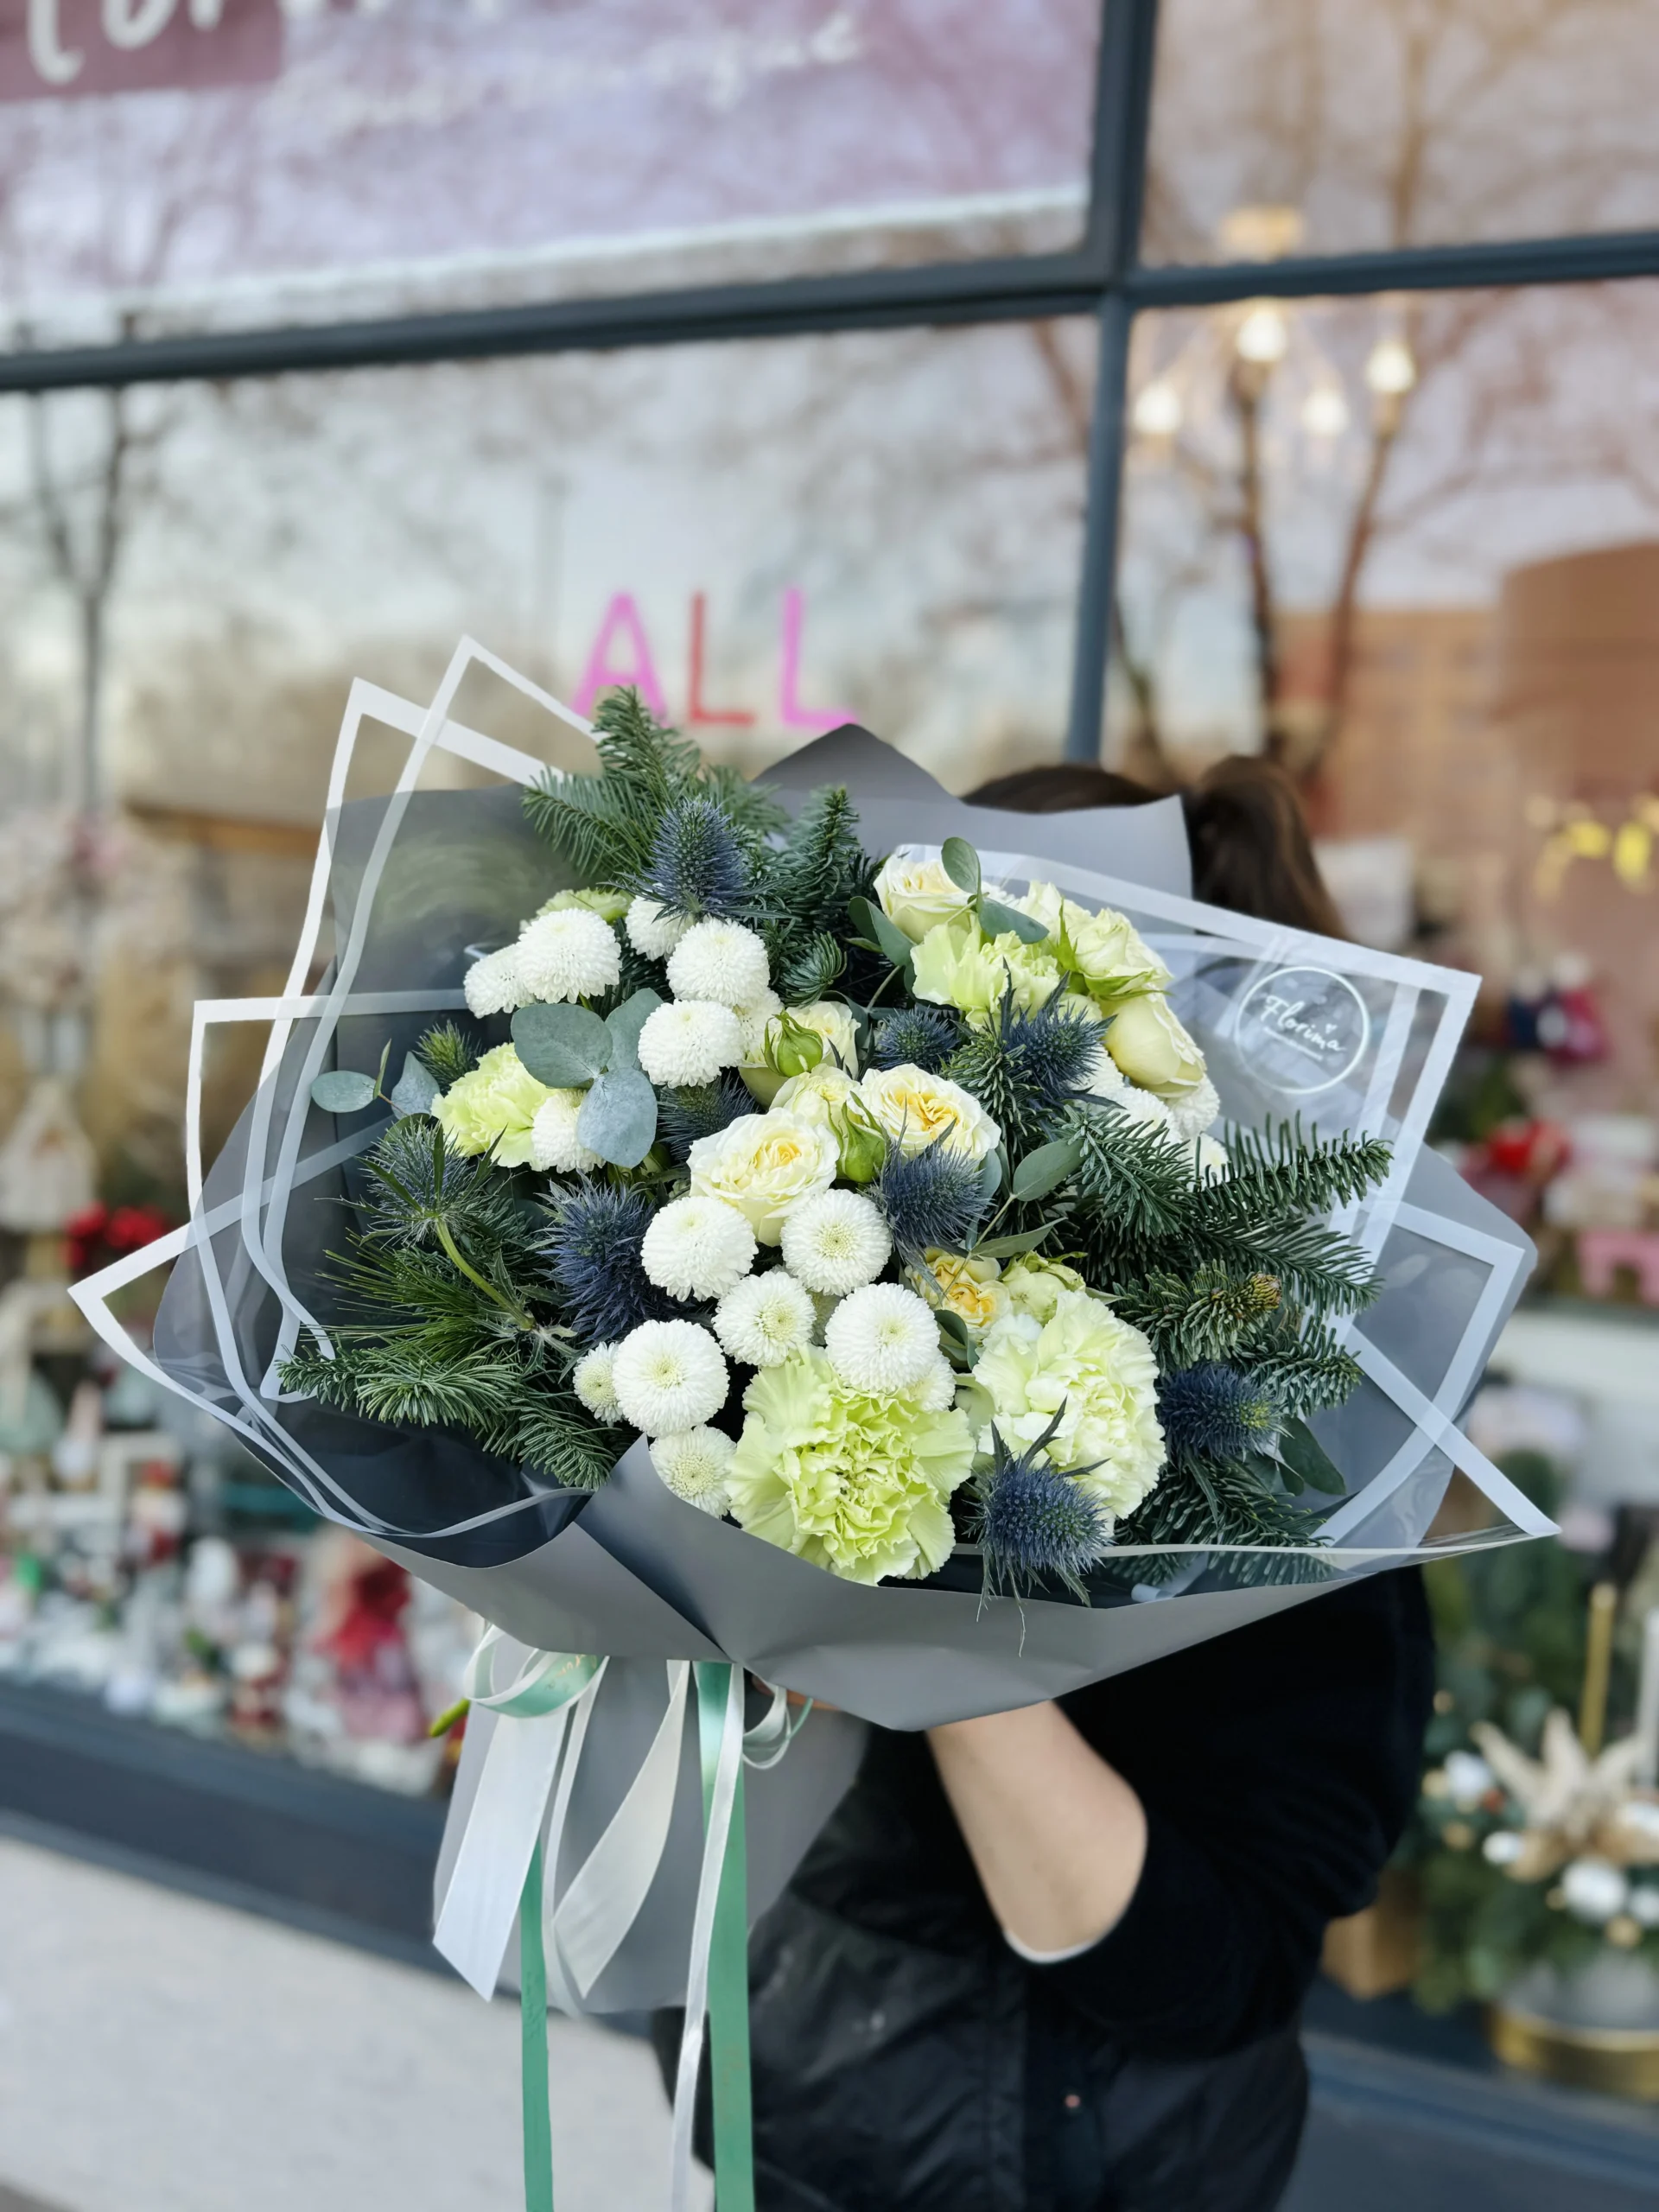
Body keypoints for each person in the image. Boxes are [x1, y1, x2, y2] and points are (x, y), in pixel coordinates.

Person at [653, 754, 1434, 2212]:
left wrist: (920, 1586)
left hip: (1100, 2161)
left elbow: (1216, 1973)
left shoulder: (1301, 1462)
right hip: (796, 2101)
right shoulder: (822, 1294)